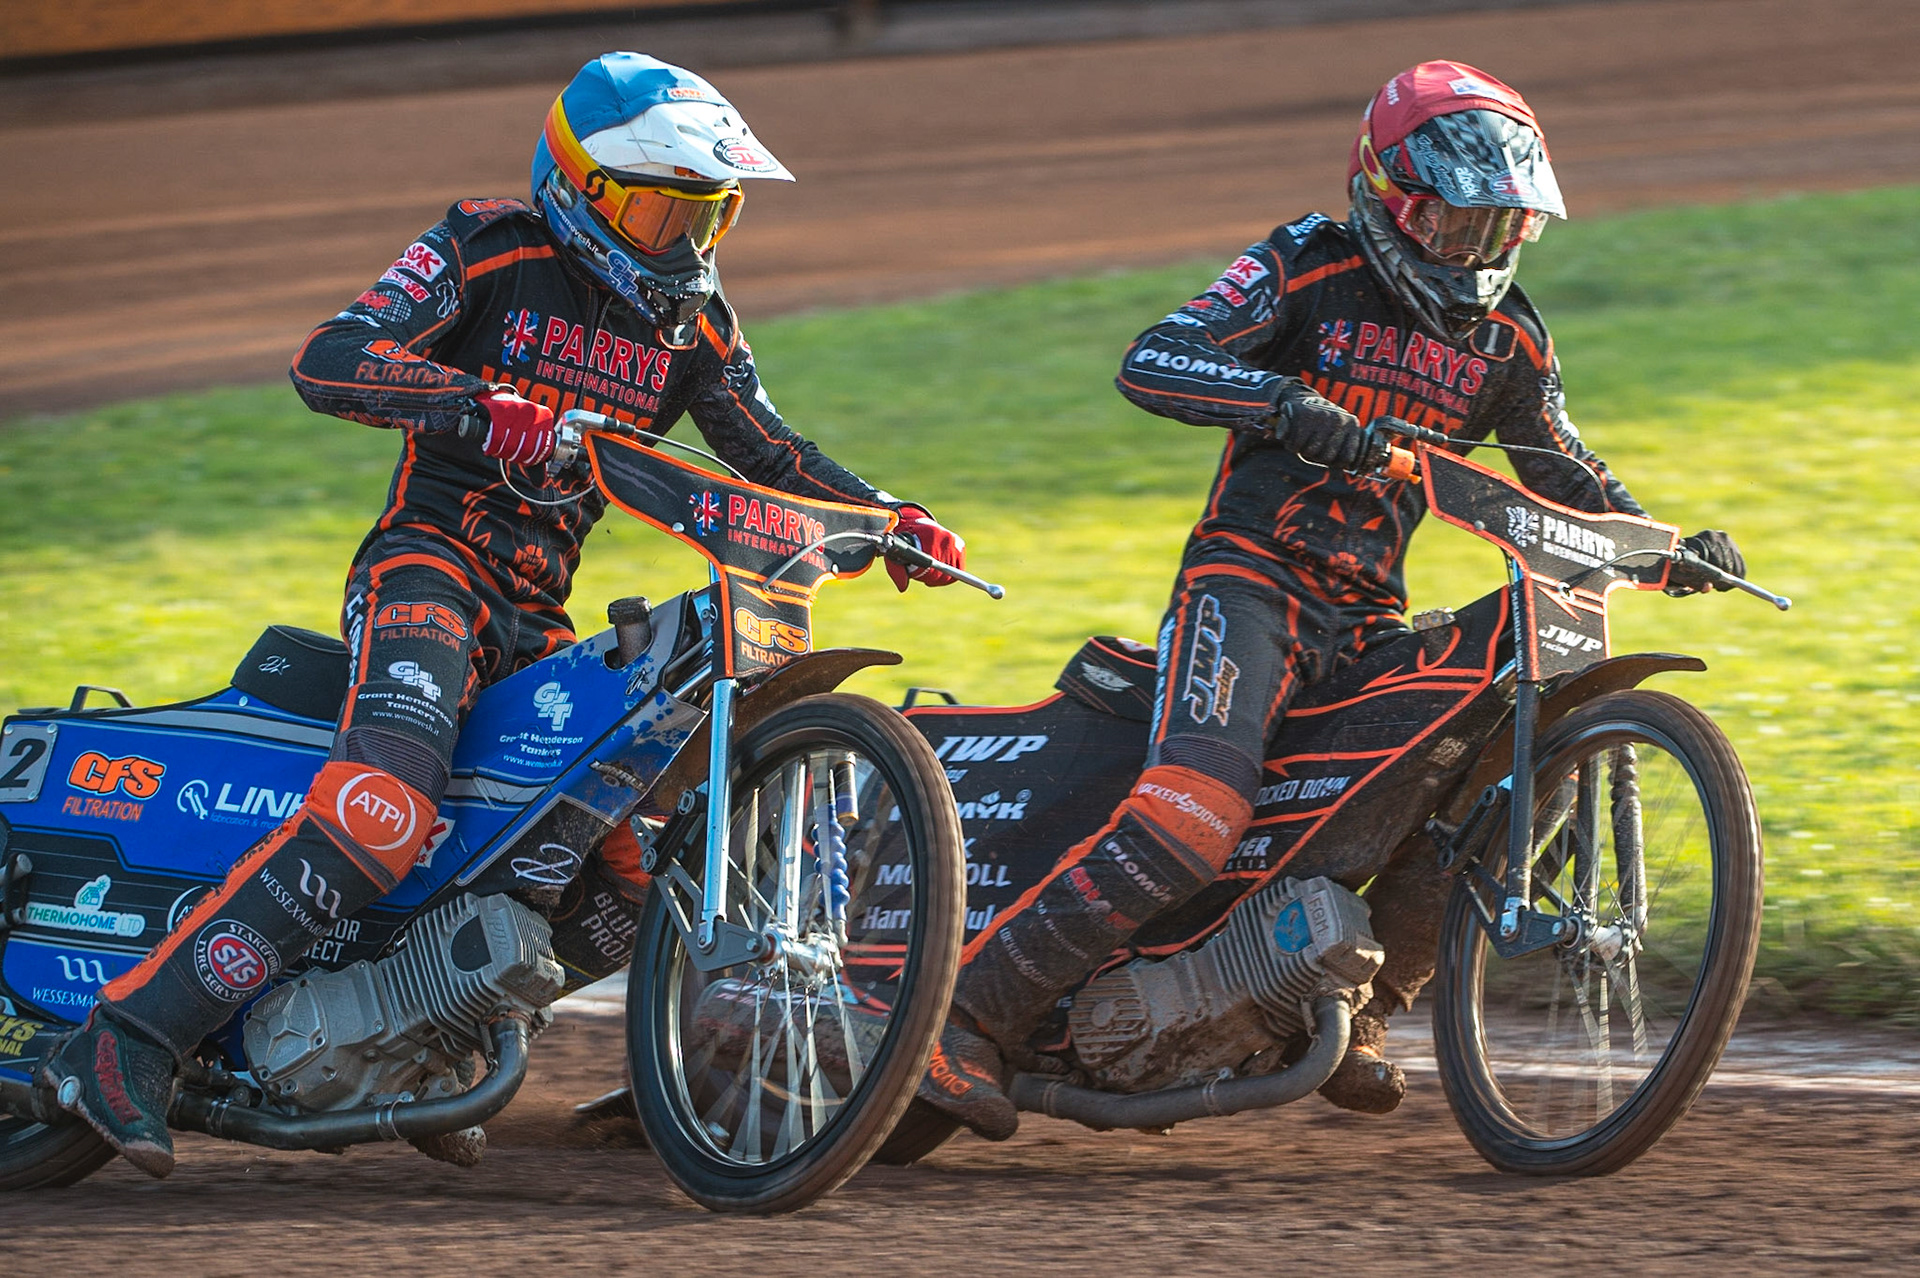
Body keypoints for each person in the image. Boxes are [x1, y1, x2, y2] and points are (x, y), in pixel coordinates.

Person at [43, 52, 965, 1179]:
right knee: (385, 807)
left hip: (539, 621)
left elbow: (770, 454)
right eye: (655, 204)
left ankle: (425, 1034)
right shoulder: (487, 244)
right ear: (576, 187)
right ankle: (126, 1038)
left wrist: (890, 517)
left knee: (630, 892)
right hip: (426, 570)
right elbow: (327, 361)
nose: (680, 235)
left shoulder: (696, 326)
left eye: (704, 210)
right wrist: (484, 410)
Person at [917, 60, 1746, 1139]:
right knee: (1194, 816)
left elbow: (1564, 475)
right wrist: (1287, 406)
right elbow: (1152, 359)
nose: (1480, 253)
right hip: (1247, 585)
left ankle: (1363, 1008)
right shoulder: (1304, 265)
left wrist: (1667, 547)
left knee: (1462, 780)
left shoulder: (1512, 340)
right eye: (1460, 225)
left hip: (1362, 620)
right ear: (1392, 197)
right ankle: (965, 1017)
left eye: (1505, 232)